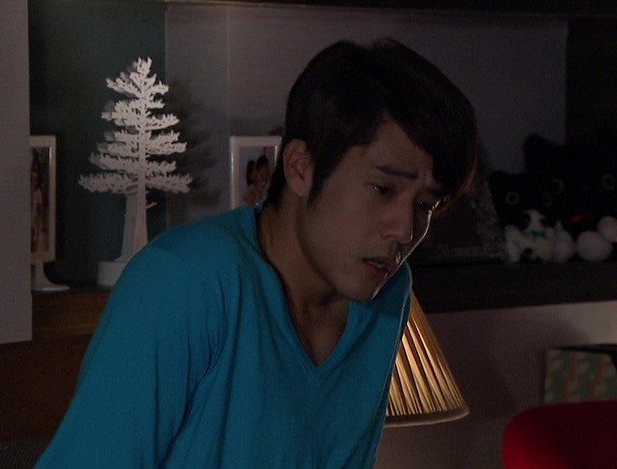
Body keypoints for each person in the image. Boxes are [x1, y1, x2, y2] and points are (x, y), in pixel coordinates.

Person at [36, 37, 478, 468]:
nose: (405, 230)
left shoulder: (388, 292)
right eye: (382, 189)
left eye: (426, 205)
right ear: (301, 168)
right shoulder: (186, 279)